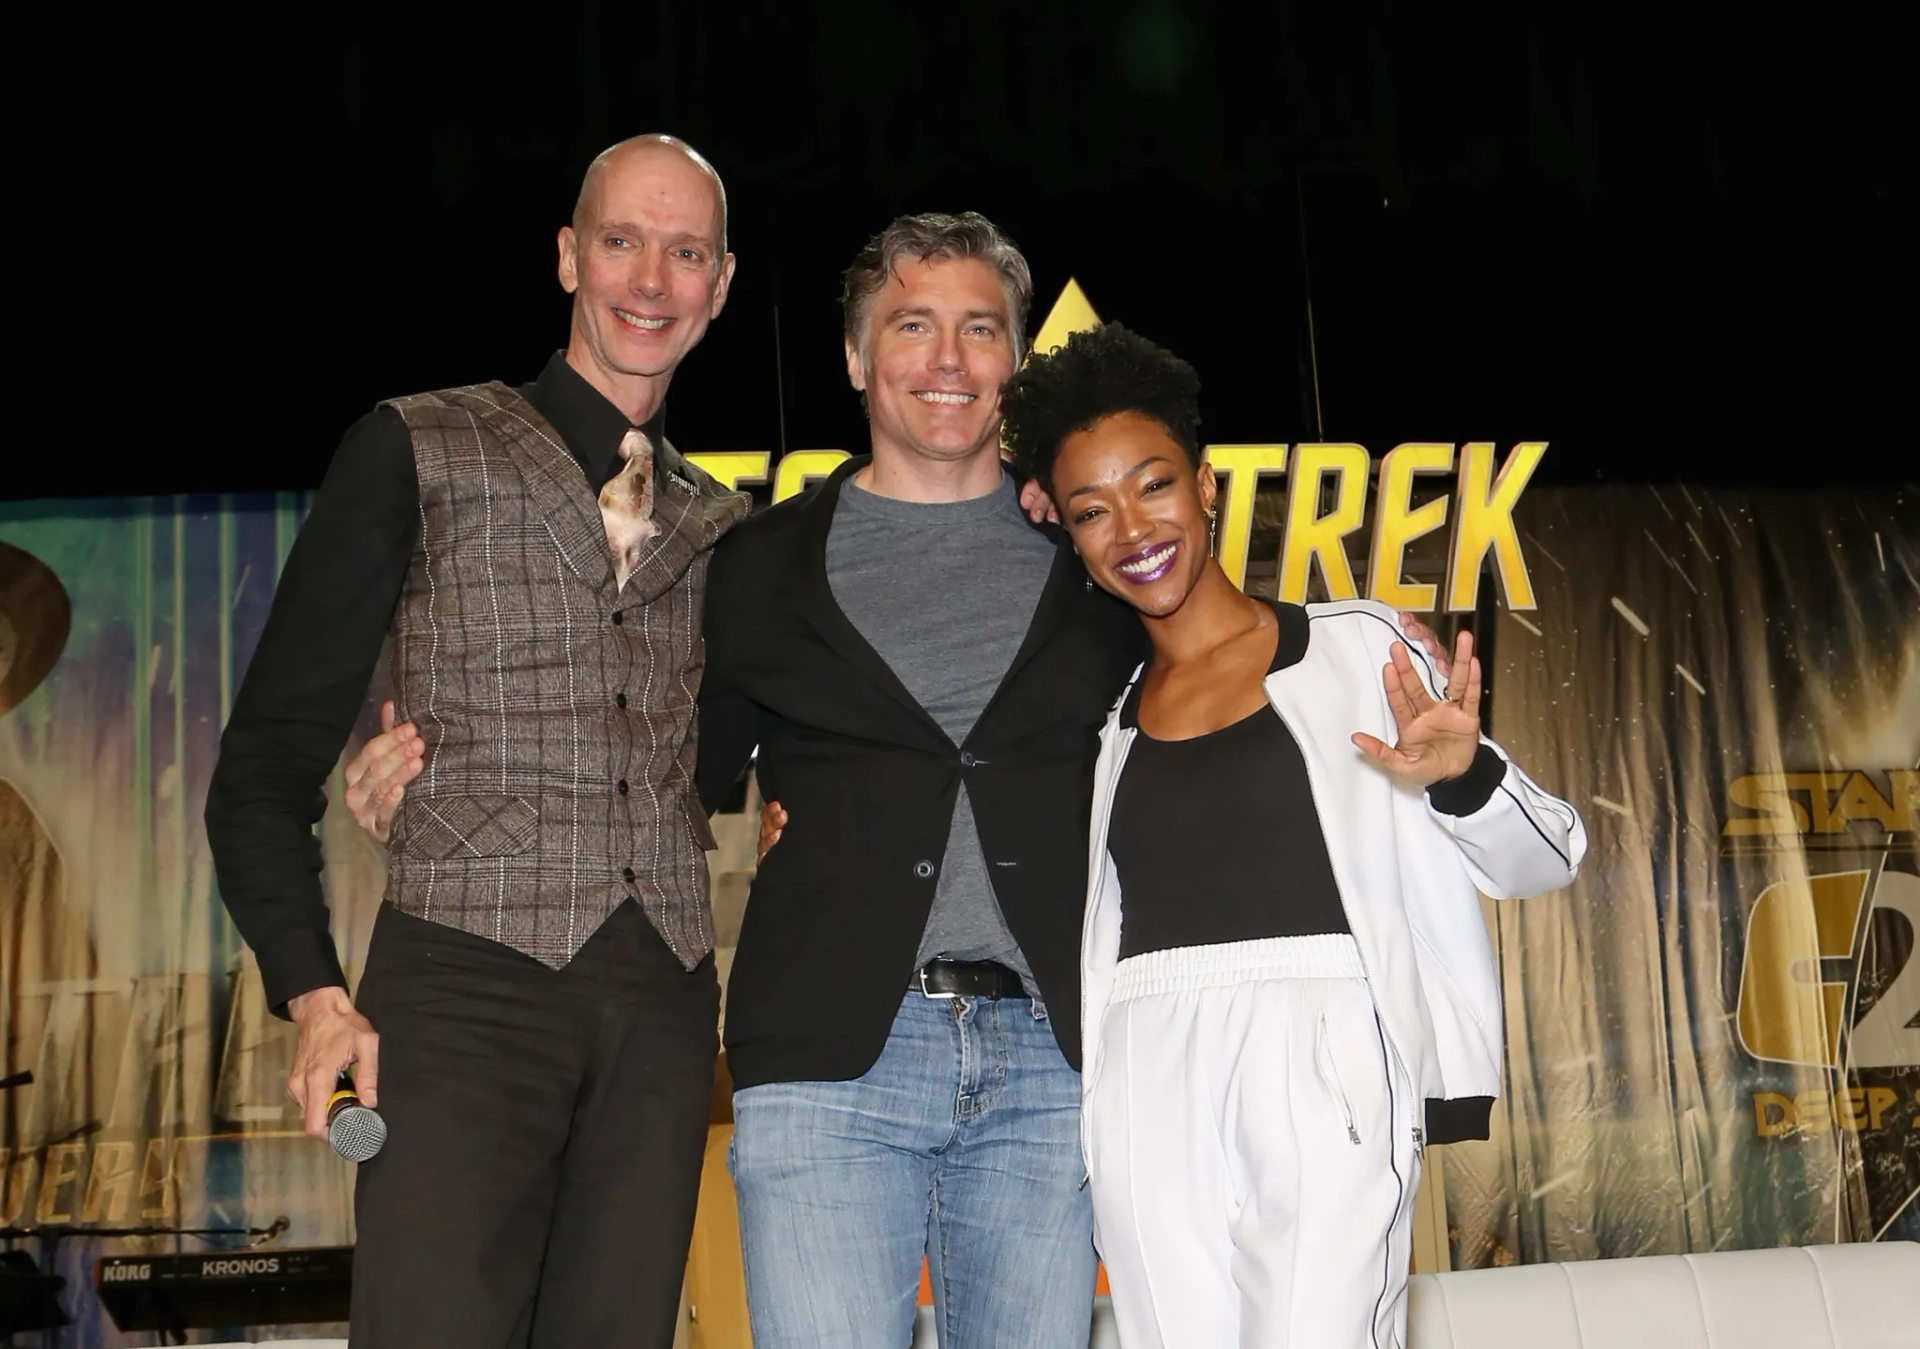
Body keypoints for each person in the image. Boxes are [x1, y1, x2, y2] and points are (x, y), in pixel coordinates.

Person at [204, 134, 746, 1349]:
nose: (650, 279)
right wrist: (315, 996)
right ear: (567, 256)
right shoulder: (414, 444)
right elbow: (260, 772)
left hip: (659, 1006)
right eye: (621, 241)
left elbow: (719, 751)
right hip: (461, 991)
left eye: (685, 252)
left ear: (720, 285)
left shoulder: (720, 523)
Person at [996, 321, 1587, 1348]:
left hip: (1322, 1049)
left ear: (1208, 484)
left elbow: (1550, 855)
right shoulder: (1107, 725)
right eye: (1092, 509)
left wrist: (1463, 774)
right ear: (1074, 540)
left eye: (1153, 484)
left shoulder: (1361, 649)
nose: (1131, 526)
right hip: (1145, 1061)